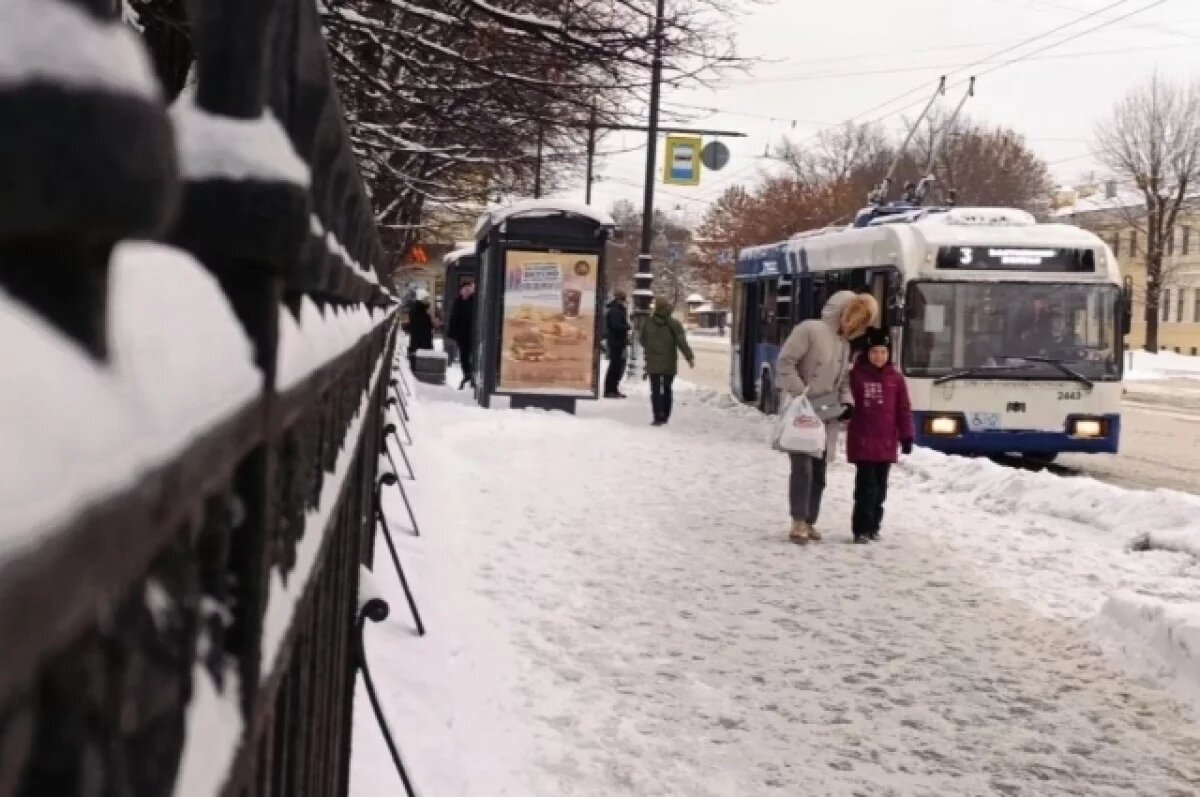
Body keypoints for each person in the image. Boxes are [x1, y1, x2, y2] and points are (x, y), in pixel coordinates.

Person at [777, 290, 878, 544]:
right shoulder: (809, 330)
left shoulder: (844, 345)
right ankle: (798, 520)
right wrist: (801, 393)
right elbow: (786, 362)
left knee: (820, 470)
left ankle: (810, 520)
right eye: (854, 321)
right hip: (803, 408)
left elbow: (843, 380)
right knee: (803, 468)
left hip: (826, 413)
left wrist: (847, 402)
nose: (854, 328)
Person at [846, 327, 914, 544]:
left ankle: (874, 525)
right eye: (874, 352)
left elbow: (903, 409)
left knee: (880, 489)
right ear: (867, 353)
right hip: (863, 441)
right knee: (866, 488)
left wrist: (906, 436)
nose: (879, 357)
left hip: (886, 443)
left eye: (883, 352)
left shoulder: (896, 379)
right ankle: (861, 529)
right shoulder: (856, 376)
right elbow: (847, 400)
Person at [641, 297, 694, 426]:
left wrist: (652, 348)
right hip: (669, 362)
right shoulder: (673, 324)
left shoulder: (647, 322)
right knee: (667, 388)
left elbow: (642, 341)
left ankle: (657, 416)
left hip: (653, 362)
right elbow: (681, 342)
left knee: (655, 390)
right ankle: (665, 415)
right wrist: (689, 357)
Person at [447, 279, 477, 389]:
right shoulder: (458, 301)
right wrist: (452, 334)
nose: (467, 292)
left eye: (469, 290)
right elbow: (453, 318)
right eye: (465, 290)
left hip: (472, 334)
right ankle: (467, 375)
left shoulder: (475, 301)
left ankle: (471, 376)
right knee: (464, 356)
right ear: (461, 291)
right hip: (461, 335)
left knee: (472, 356)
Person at [604, 290, 631, 398]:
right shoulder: (615, 311)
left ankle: (613, 389)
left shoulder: (618, 310)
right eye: (623, 300)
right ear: (619, 299)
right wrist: (627, 327)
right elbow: (616, 326)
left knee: (617, 366)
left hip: (617, 342)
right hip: (616, 342)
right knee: (615, 367)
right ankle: (610, 390)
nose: (624, 302)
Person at [402, 288, 434, 370]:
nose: (428, 301)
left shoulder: (418, 310)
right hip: (421, 345)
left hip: (418, 344)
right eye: (426, 299)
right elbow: (421, 328)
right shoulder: (420, 311)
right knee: (420, 368)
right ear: (421, 299)